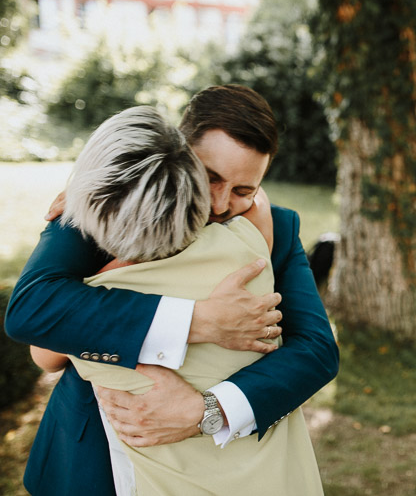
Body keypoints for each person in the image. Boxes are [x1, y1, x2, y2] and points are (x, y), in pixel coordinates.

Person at [5, 85, 339, 495]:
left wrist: (207, 411)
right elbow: (32, 311)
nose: (219, 204)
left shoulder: (274, 230)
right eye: (210, 177)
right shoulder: (112, 202)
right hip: (89, 458)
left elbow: (316, 351)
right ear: (180, 151)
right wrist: (197, 321)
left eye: (242, 190)